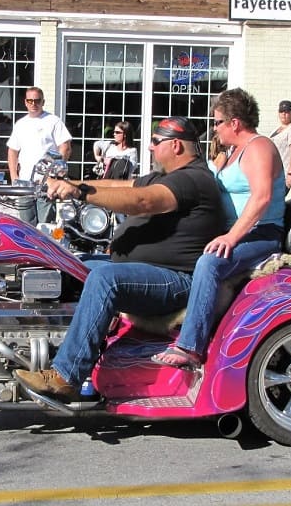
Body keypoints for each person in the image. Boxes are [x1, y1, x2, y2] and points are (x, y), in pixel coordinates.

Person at [13, 116, 225, 400]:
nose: (149, 147)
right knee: (68, 263)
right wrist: (69, 182)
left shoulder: (193, 179)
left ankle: (66, 374)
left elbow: (143, 200)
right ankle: (35, 344)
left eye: (155, 142)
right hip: (144, 270)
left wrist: (79, 193)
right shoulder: (166, 176)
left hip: (176, 280)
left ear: (175, 146)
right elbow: (121, 186)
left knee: (105, 279)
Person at [152, 89, 286, 369]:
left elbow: (262, 197)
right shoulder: (234, 151)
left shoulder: (259, 147)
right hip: (236, 231)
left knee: (209, 263)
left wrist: (231, 237)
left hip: (261, 233)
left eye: (217, 122)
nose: (214, 129)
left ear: (234, 123)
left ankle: (190, 346)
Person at [6, 86, 73, 223]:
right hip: (24, 184)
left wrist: (54, 175)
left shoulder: (53, 121)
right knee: (26, 225)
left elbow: (65, 147)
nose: (33, 104)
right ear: (25, 102)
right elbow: (12, 151)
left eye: (37, 100)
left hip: (46, 184)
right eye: (30, 101)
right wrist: (14, 177)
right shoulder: (20, 124)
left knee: (46, 226)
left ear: (43, 102)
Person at [269, 100, 291, 190]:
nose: (284, 114)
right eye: (281, 111)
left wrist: (290, 174)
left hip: (285, 172)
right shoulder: (277, 129)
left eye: (287, 111)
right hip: (275, 172)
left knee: (277, 200)